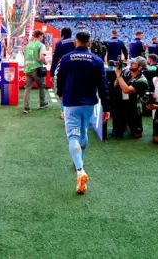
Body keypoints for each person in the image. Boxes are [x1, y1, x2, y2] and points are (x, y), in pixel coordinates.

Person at [55, 31, 110, 195]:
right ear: (89, 43)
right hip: (89, 104)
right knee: (83, 131)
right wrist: (106, 107)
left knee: (73, 135)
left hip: (71, 102)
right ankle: (79, 160)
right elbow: (103, 85)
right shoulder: (97, 60)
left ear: (76, 42)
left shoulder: (66, 58)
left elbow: (60, 79)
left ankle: (80, 170)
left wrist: (60, 93)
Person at [113, 56, 148, 139]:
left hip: (134, 107)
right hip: (122, 104)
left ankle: (134, 126)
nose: (131, 63)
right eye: (132, 62)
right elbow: (115, 84)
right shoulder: (126, 72)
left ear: (140, 67)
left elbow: (126, 90)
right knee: (117, 134)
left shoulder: (142, 80)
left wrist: (118, 75)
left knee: (137, 135)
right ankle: (124, 124)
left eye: (134, 63)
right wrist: (119, 73)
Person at [51, 27, 75, 119]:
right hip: (75, 68)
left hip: (63, 68)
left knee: (62, 90)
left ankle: (64, 112)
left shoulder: (59, 43)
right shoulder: (75, 42)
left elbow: (55, 59)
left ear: (62, 33)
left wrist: (52, 73)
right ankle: (73, 111)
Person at [23, 29, 49, 114]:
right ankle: (42, 103)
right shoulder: (41, 45)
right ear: (40, 35)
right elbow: (41, 58)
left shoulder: (28, 45)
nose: (43, 37)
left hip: (27, 69)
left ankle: (26, 108)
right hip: (37, 69)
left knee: (27, 89)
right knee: (42, 86)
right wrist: (46, 63)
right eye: (42, 36)